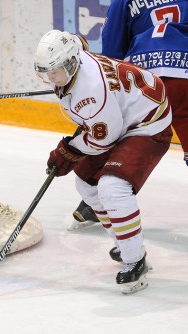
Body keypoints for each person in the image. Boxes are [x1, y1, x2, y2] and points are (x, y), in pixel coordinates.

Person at [34, 29, 172, 294]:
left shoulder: (92, 92)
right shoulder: (72, 54)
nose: (51, 79)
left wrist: (69, 150)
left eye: (55, 72)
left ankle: (136, 260)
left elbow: (104, 138)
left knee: (112, 187)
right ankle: (125, 243)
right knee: (86, 185)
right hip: (123, 112)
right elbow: (77, 39)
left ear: (73, 63)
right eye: (46, 72)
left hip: (147, 124)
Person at [71, 0, 188, 229]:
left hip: (144, 76)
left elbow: (112, 52)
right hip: (183, 68)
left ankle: (91, 203)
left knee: (119, 134)